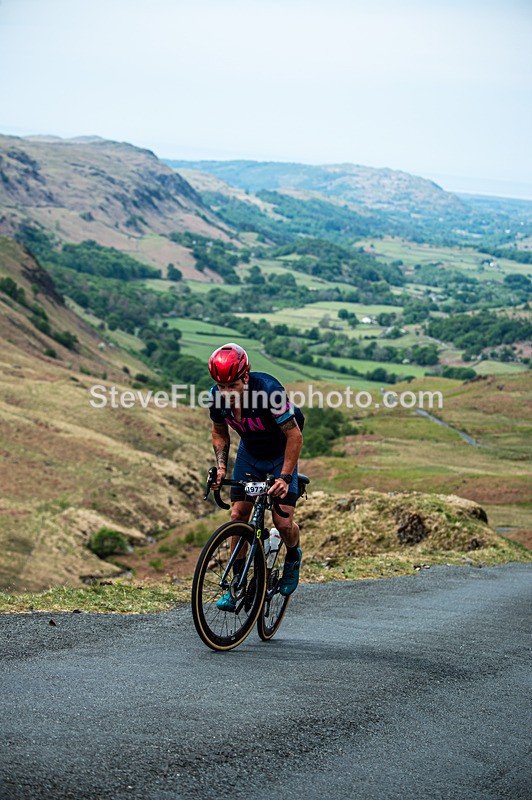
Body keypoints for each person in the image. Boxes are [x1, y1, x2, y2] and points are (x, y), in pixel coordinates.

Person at [207, 342, 305, 611]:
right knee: (238, 515)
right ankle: (237, 583)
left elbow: (294, 436)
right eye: (221, 386)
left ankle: (293, 555)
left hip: (279, 453)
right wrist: (222, 468)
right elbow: (219, 433)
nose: (226, 393)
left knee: (282, 523)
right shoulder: (216, 397)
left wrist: (284, 477)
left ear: (245, 377)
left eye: (232, 386)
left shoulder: (269, 392)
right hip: (250, 453)